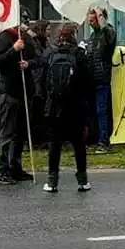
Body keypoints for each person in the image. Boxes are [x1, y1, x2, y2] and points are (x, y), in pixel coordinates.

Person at [34, 23, 92, 193]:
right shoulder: (79, 54)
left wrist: (46, 99)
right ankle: (82, 181)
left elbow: (41, 80)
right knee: (78, 143)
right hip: (75, 106)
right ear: (74, 35)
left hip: (54, 106)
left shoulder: (50, 53)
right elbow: (87, 82)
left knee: (54, 143)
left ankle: (52, 182)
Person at [0, 7, 37, 185]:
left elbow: (38, 59)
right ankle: (1, 170)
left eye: (27, 19)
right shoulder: (4, 37)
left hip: (25, 91)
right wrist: (13, 50)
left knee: (21, 133)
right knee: (7, 132)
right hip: (9, 91)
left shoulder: (27, 38)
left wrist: (28, 63)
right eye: (23, 19)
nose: (25, 23)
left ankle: (15, 167)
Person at [87, 7, 116, 153]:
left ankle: (104, 141)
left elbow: (109, 35)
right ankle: (96, 138)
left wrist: (100, 17)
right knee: (94, 111)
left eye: (93, 20)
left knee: (102, 111)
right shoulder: (93, 36)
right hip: (92, 78)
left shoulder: (108, 32)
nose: (90, 23)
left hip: (102, 78)